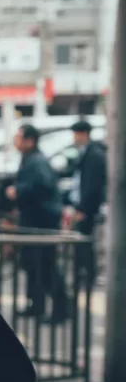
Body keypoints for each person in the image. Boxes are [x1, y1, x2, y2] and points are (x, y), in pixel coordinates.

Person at [6, 124, 69, 321]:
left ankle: (60, 309)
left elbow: (42, 185)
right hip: (33, 222)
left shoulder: (37, 161)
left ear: (30, 140)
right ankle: (37, 304)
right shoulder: (30, 159)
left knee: (46, 265)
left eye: (19, 137)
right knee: (32, 264)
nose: (15, 141)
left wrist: (19, 190)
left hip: (42, 224)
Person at [65, 119, 107, 285]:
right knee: (82, 242)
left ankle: (87, 276)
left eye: (76, 134)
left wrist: (83, 208)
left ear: (83, 134)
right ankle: (83, 275)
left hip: (87, 208)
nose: (74, 138)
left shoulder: (94, 155)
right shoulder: (85, 153)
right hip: (81, 205)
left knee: (84, 242)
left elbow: (92, 184)